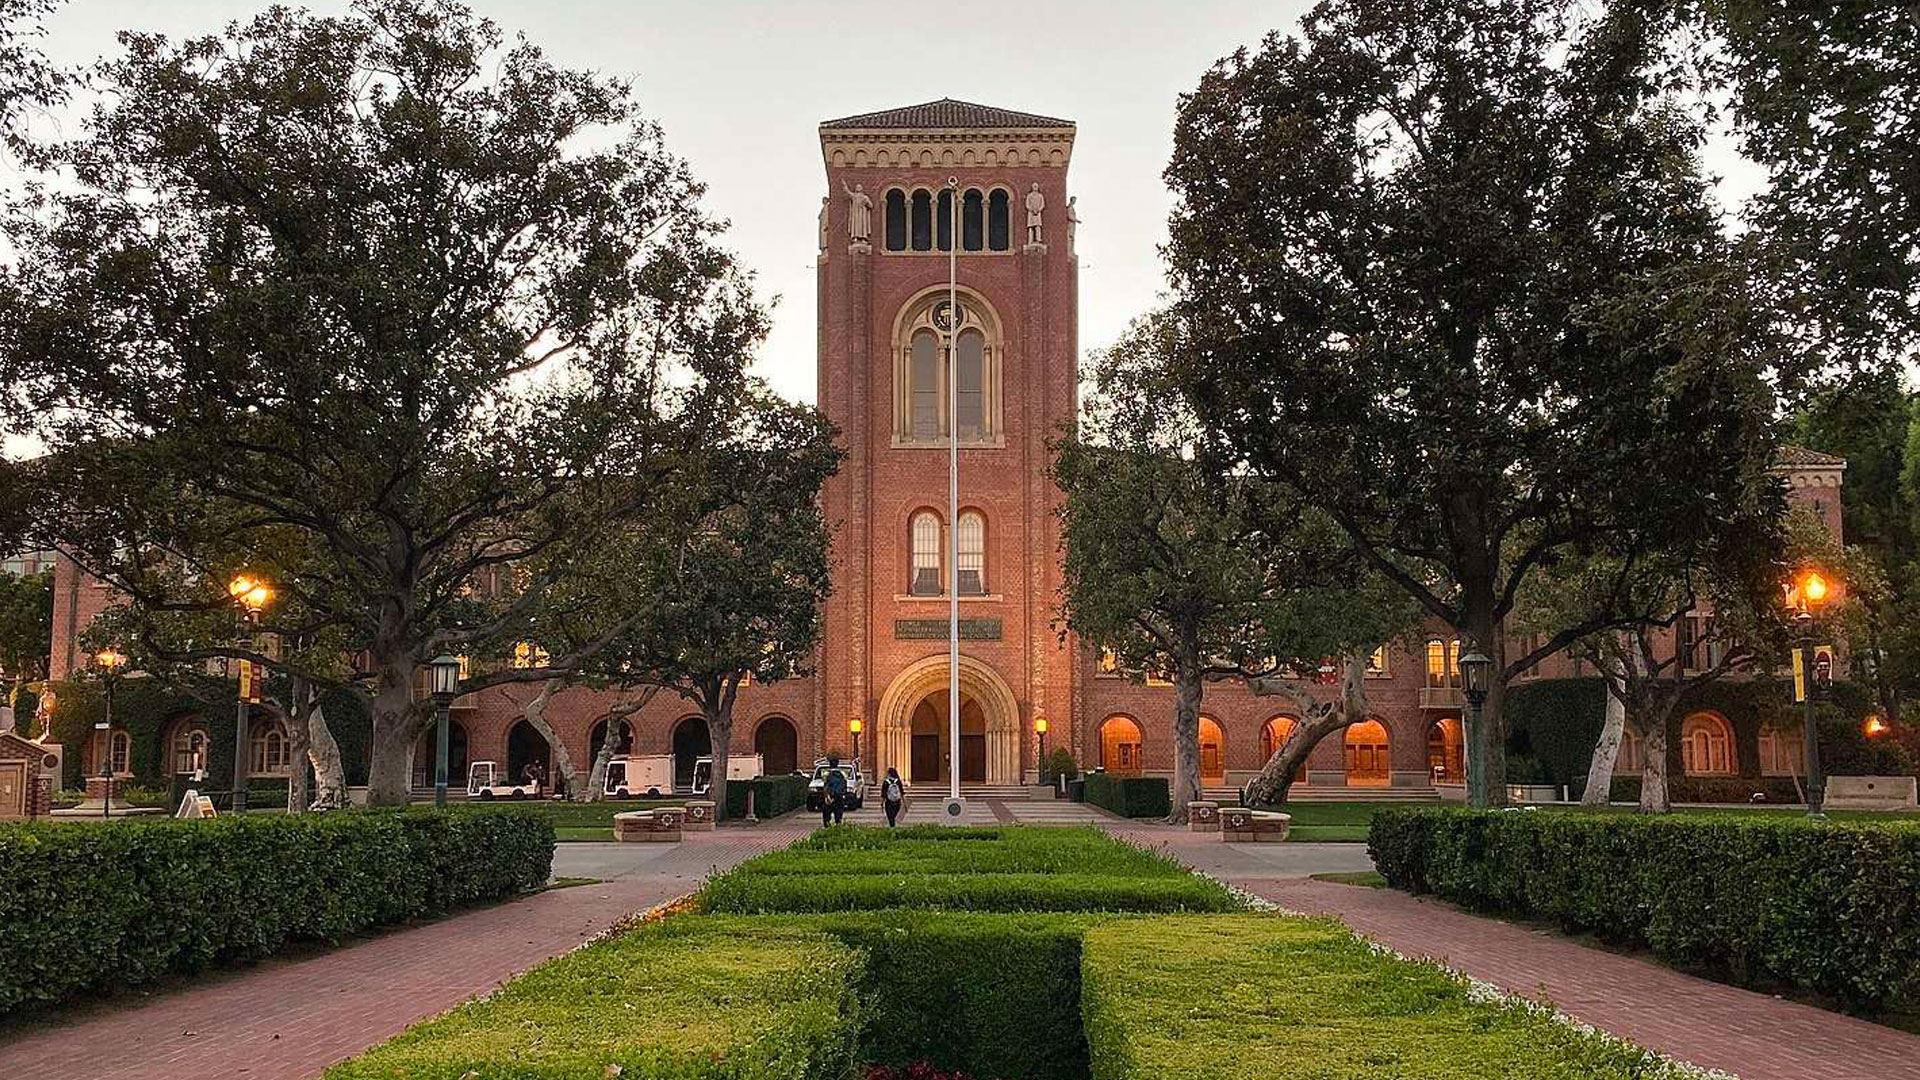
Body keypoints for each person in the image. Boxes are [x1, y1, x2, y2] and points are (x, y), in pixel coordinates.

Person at [821, 755, 848, 827]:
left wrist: (827, 796)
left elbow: (825, 786)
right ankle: (837, 828)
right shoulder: (842, 773)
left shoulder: (826, 773)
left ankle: (827, 829)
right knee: (838, 816)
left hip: (829, 797)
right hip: (839, 797)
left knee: (826, 816)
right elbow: (844, 786)